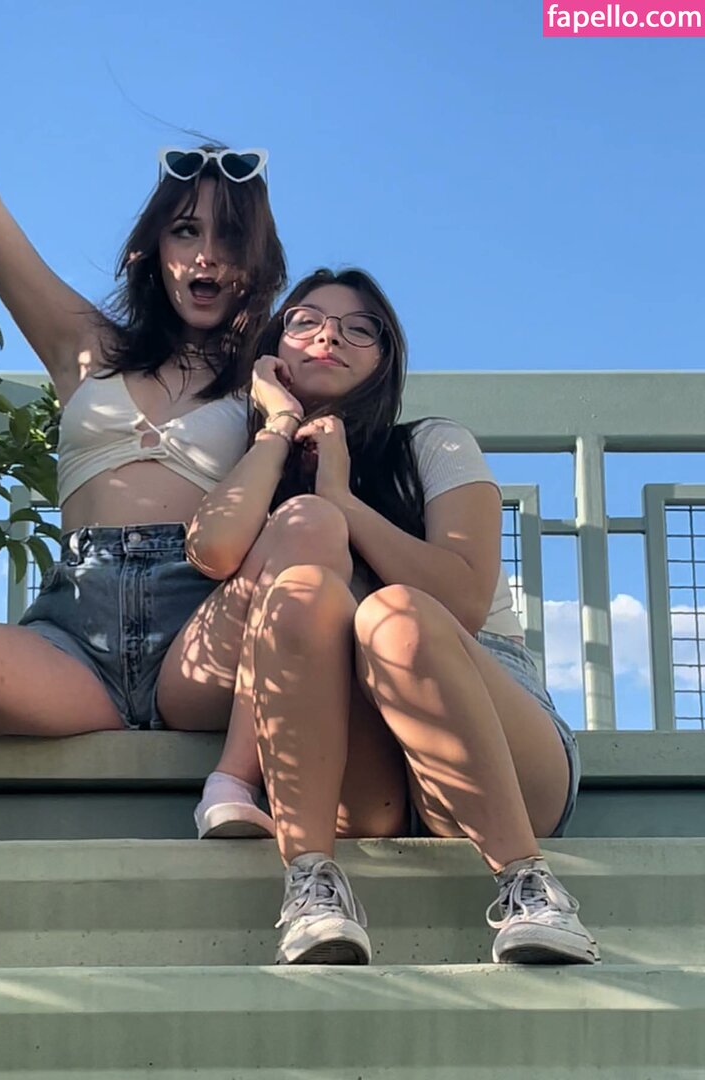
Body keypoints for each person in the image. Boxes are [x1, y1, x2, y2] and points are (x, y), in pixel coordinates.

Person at [0, 0, 285, 967]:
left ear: (257, 262)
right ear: (151, 249)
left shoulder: (267, 383)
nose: (205, 255)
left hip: (200, 639)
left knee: (295, 575)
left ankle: (262, 798)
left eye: (228, 238)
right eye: (185, 231)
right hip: (72, 643)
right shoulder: (84, 346)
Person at [171, 267, 600, 967]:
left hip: (489, 735)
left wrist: (343, 499)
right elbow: (210, 550)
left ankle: (531, 886)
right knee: (303, 591)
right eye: (306, 321)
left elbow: (463, 601)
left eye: (358, 327)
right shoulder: (246, 457)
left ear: (385, 356)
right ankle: (312, 886)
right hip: (357, 773)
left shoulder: (433, 444)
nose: (329, 336)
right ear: (275, 347)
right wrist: (278, 428)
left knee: (394, 616)